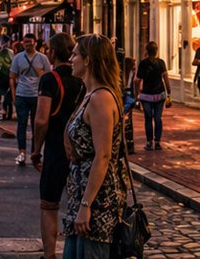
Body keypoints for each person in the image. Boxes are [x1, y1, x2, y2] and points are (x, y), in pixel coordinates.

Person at [60, 34, 132, 259]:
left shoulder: (101, 99)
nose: (71, 59)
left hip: (98, 201)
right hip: (81, 195)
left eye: (75, 54)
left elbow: (103, 155)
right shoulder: (89, 94)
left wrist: (86, 204)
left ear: (88, 60)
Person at [33, 33, 85, 259]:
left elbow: (41, 119)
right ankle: (76, 251)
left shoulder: (49, 80)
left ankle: (50, 254)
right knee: (78, 203)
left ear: (52, 52)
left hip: (55, 149)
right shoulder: (82, 80)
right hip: (80, 150)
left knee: (49, 204)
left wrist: (36, 149)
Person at [12, 34, 52, 165]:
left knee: (37, 125)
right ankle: (22, 152)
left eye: (30, 42)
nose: (28, 44)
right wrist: (14, 96)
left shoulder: (42, 58)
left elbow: (48, 77)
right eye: (25, 42)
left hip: (37, 96)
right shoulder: (18, 58)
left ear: (35, 43)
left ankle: (35, 152)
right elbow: (12, 77)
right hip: (22, 95)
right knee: (21, 124)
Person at [129, 42, 170, 150]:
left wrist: (137, 94)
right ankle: (157, 142)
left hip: (146, 95)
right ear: (156, 51)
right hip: (159, 94)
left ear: (147, 51)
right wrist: (169, 92)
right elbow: (165, 78)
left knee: (148, 118)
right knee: (158, 118)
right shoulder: (161, 63)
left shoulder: (143, 63)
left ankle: (149, 142)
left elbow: (137, 81)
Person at [0, 38, 14, 121]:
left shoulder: (9, 53)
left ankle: (7, 115)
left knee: (7, 99)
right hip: (2, 78)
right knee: (3, 97)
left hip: (8, 78)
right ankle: (5, 115)